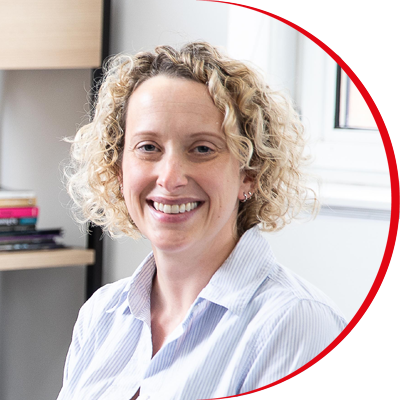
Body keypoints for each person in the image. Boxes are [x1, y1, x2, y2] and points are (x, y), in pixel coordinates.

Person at [58, 42, 346, 400]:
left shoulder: (297, 323)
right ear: (118, 168)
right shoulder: (102, 314)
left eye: (202, 149)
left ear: (249, 173)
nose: (170, 177)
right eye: (148, 147)